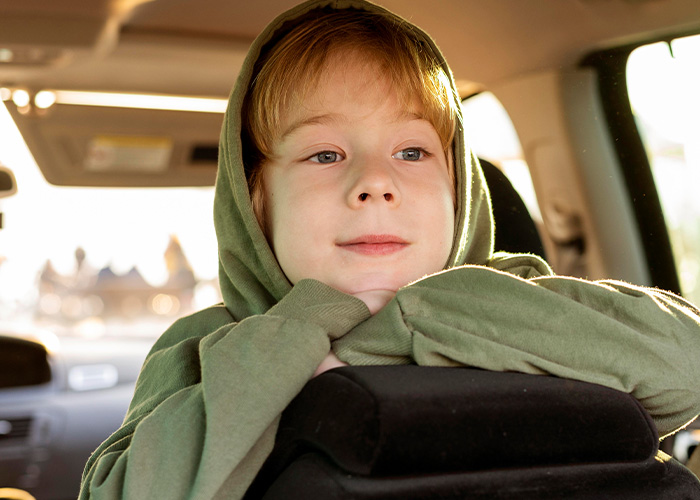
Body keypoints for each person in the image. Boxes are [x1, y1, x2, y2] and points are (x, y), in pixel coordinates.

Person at [79, 0, 700, 498]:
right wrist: (300, 329)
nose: (376, 183)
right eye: (326, 154)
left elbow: (685, 363)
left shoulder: (522, 299)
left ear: (457, 189)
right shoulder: (209, 348)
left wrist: (407, 316)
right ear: (256, 200)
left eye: (412, 152)